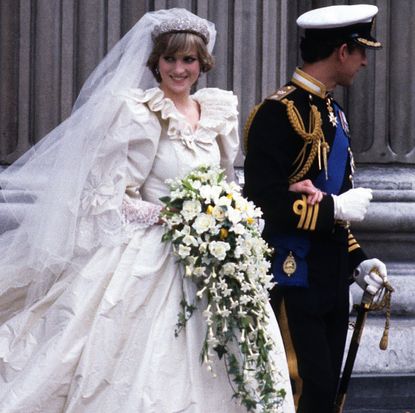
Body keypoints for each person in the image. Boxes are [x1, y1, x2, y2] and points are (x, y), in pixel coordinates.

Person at [0, 8, 295, 413]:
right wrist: (170, 217)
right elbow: (111, 198)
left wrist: (230, 216)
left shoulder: (217, 113)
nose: (179, 68)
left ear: (201, 63)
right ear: (155, 62)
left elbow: (227, 183)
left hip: (214, 258)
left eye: (188, 59)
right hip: (153, 254)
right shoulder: (138, 114)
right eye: (170, 59)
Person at [243, 4, 388, 413]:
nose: (363, 62)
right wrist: (333, 209)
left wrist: (358, 260)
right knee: (302, 390)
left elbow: (334, 199)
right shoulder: (278, 113)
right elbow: (262, 204)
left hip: (331, 276)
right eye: (361, 52)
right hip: (293, 275)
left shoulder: (334, 115)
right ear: (342, 51)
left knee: (323, 397)